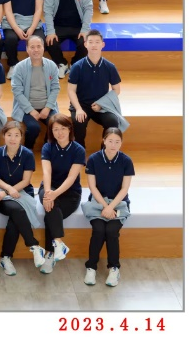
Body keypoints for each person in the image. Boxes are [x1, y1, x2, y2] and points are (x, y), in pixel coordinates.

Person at [0, 121, 47, 277]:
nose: (12, 138)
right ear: (3, 136)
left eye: (16, 135)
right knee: (17, 211)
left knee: (15, 220)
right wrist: (7, 190)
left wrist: (12, 190)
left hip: (22, 191)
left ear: (22, 137)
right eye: (9, 135)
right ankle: (33, 245)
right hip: (2, 193)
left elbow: (26, 181)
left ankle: (5, 257)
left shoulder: (27, 154)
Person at [83, 127, 135, 287]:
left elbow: (124, 189)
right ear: (104, 140)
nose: (113, 145)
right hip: (98, 203)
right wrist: (105, 206)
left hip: (118, 203)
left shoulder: (126, 161)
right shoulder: (94, 159)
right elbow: (92, 187)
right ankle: (91, 267)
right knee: (98, 230)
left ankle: (114, 268)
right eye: (110, 141)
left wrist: (111, 207)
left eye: (117, 142)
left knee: (111, 231)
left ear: (121, 143)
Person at [38, 114, 85, 275]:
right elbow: (47, 172)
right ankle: (58, 244)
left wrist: (55, 194)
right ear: (51, 132)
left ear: (70, 129)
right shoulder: (48, 147)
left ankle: (50, 253)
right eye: (55, 129)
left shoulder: (78, 150)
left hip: (70, 193)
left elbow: (71, 178)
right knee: (50, 208)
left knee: (50, 214)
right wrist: (48, 192)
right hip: (49, 187)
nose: (60, 132)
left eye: (63, 128)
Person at [67, 29, 122, 148]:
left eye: (97, 42)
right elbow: (71, 90)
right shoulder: (77, 66)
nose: (94, 45)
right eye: (90, 42)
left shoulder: (110, 66)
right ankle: (80, 153)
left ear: (103, 45)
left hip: (101, 105)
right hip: (81, 105)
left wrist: (102, 104)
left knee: (113, 122)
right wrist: (78, 109)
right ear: (85, 44)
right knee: (78, 123)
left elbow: (116, 89)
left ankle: (104, 152)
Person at [43, 0, 94, 77]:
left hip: (78, 25)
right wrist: (50, 31)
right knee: (50, 42)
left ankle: (75, 64)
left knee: (86, 42)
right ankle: (62, 63)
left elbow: (88, 8)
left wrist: (85, 29)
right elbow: (48, 11)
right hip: (58, 26)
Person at [10, 35, 60, 149]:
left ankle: (47, 148)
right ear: (27, 49)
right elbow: (17, 92)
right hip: (26, 108)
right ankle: (27, 150)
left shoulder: (52, 65)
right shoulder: (19, 67)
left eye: (39, 46)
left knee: (56, 125)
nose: (36, 50)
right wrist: (31, 110)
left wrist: (48, 108)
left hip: (47, 106)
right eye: (32, 47)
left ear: (43, 48)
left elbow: (55, 88)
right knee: (34, 128)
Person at [1, 0, 45, 78]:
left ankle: (35, 65)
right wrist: (17, 29)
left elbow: (38, 9)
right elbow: (8, 11)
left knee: (40, 40)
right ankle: (13, 65)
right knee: (10, 39)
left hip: (32, 21)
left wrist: (31, 28)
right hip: (14, 21)